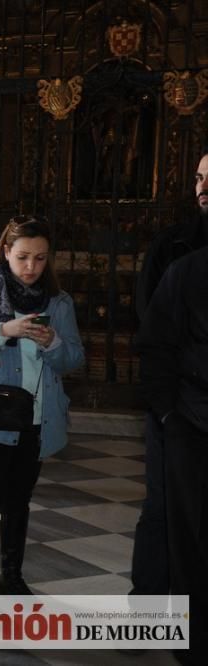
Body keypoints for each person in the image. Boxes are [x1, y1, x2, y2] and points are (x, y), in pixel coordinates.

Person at [0, 216, 84, 595]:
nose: (32, 267)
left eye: (41, 259)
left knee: (18, 501)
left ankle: (11, 578)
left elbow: (74, 359)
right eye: (23, 257)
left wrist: (53, 343)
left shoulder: (59, 302)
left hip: (36, 419)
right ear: (6, 252)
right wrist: (2, 331)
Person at [130, 151, 208, 598]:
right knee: (161, 513)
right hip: (177, 413)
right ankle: (148, 617)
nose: (202, 187)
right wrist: (167, 412)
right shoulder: (172, 247)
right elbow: (150, 325)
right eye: (198, 178)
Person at [138, 248, 208, 665]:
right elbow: (155, 345)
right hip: (192, 426)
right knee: (189, 539)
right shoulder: (187, 270)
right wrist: (169, 415)